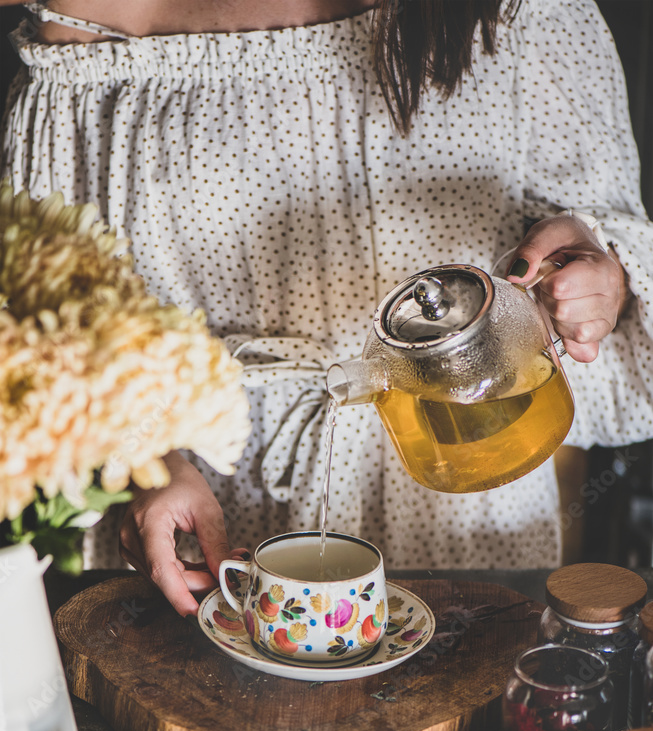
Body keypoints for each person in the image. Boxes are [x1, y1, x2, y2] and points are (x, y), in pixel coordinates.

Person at [2, 0, 652, 617]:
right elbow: (46, 314)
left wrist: (600, 279)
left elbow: (610, 238)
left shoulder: (525, 12)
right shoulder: (90, 26)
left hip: (458, 495)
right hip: (194, 527)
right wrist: (149, 463)